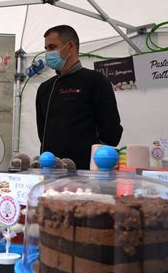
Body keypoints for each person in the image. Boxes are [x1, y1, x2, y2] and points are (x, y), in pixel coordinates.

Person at [35, 25, 123, 170]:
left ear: (70, 46)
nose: (48, 53)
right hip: (51, 173)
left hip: (87, 175)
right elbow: (42, 132)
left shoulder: (96, 81)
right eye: (46, 49)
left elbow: (111, 132)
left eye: (52, 47)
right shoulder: (45, 88)